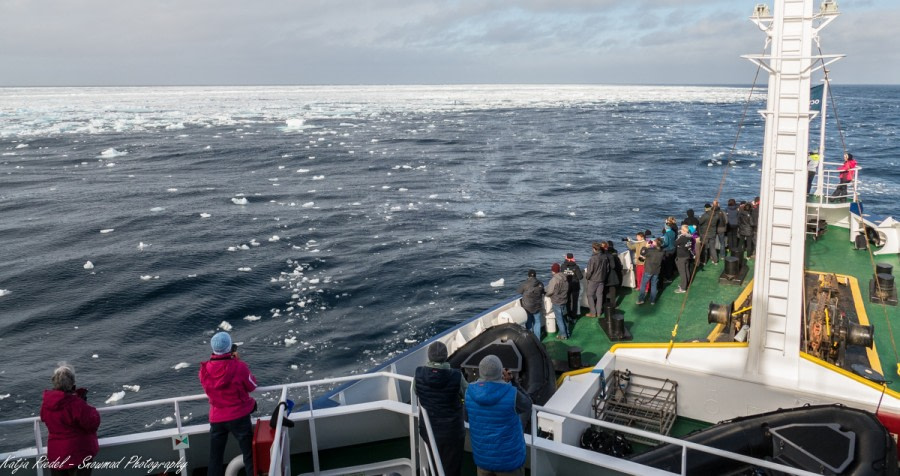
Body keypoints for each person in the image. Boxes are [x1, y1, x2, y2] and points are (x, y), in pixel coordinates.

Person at [200, 332, 258, 476]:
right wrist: (237, 362)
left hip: (217, 418)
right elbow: (252, 385)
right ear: (230, 348)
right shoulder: (239, 367)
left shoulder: (204, 369)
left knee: (215, 458)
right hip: (239, 416)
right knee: (249, 455)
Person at [465, 355, 533, 476]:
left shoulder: (469, 392)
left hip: (483, 459)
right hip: (508, 461)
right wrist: (514, 383)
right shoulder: (511, 392)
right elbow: (528, 404)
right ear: (500, 372)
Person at [414, 342, 466, 476]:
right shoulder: (456, 376)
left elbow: (416, 390)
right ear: (446, 356)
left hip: (428, 429)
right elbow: (467, 394)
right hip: (451, 431)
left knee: (433, 459)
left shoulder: (418, 373)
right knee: (451, 466)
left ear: (429, 356)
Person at [40, 363, 100, 476]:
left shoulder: (46, 403)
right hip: (78, 454)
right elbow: (92, 422)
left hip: (57, 455)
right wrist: (87, 406)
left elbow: (44, 417)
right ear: (72, 383)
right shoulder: (75, 404)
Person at [516, 270, 544, 339]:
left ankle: (531, 339)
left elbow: (519, 291)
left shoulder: (525, 284)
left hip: (527, 308)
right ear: (535, 275)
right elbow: (543, 291)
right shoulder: (540, 283)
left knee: (529, 324)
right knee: (537, 322)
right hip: (537, 307)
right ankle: (538, 339)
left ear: (528, 276)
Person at [545, 263, 570, 339]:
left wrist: (546, 295)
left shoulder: (554, 280)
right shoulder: (565, 277)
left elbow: (550, 291)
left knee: (559, 319)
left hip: (557, 302)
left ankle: (563, 335)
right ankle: (567, 332)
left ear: (553, 271)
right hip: (564, 300)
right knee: (563, 317)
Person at [637, 238, 665, 305]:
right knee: (654, 285)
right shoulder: (662, 252)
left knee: (643, 284)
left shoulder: (650, 250)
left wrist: (646, 246)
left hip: (648, 270)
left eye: (654, 241)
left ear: (655, 243)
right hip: (656, 270)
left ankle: (641, 300)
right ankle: (652, 300)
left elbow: (642, 253)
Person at [583, 242, 607, 318]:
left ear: (594, 249)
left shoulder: (593, 259)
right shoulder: (604, 257)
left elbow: (590, 271)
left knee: (590, 295)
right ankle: (599, 312)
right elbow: (607, 269)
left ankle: (593, 313)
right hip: (602, 279)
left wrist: (587, 277)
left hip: (593, 280)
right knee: (599, 295)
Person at [560, 253, 584, 323]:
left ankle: (568, 315)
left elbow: (561, 276)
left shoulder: (563, 266)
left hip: (566, 286)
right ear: (572, 258)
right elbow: (580, 277)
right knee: (575, 302)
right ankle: (574, 317)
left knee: (568, 301)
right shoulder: (576, 267)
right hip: (575, 286)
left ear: (566, 258)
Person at [603, 241, 623, 316]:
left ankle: (605, 304)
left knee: (605, 290)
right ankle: (613, 305)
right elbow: (618, 267)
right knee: (613, 291)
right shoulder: (615, 256)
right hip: (614, 276)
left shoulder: (605, 256)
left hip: (606, 276)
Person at [674, 225, 694, 293]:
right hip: (687, 255)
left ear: (683, 230)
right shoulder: (690, 237)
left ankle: (683, 288)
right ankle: (687, 283)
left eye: (681, 229)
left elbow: (675, 243)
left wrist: (680, 236)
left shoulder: (682, 238)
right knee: (686, 270)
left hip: (681, 256)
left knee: (682, 272)